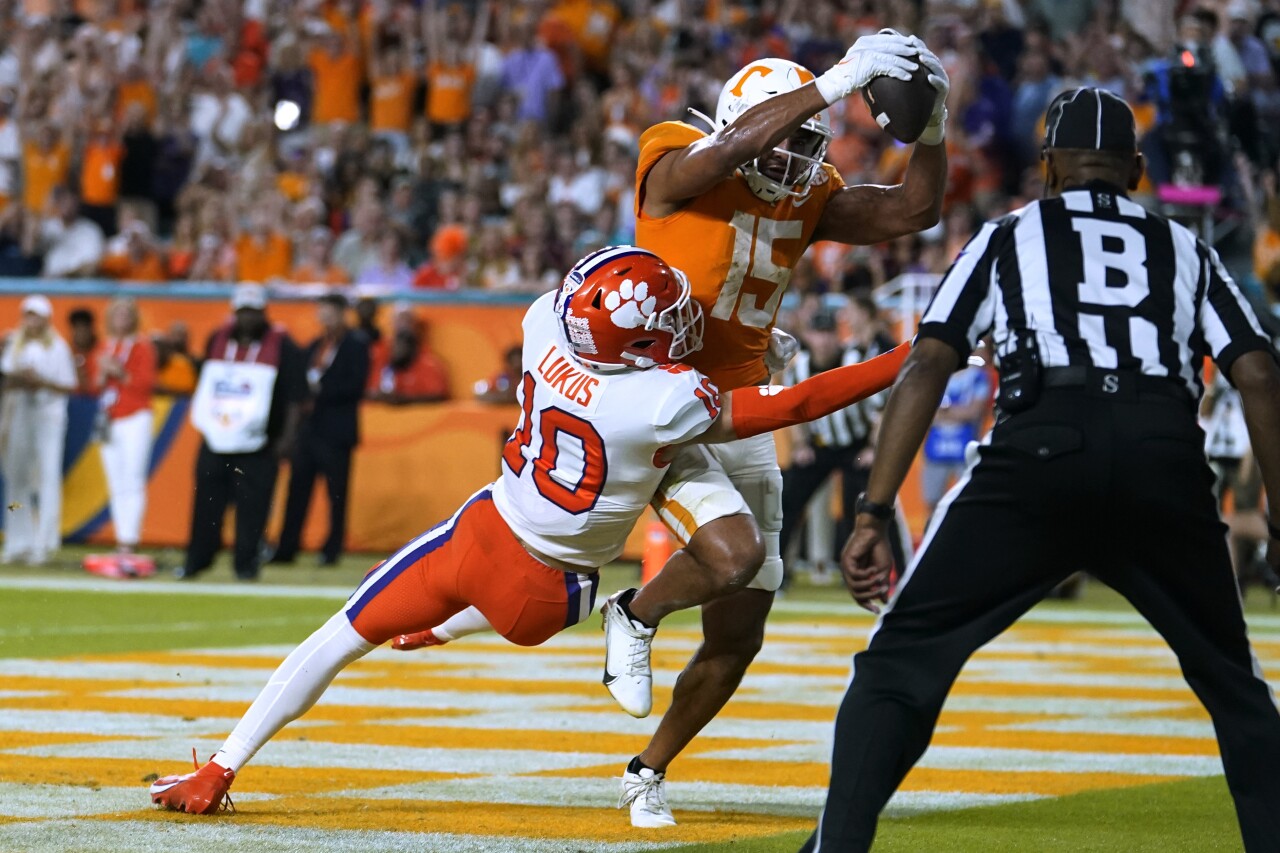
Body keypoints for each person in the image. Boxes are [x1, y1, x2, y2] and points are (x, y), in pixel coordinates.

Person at [147, 245, 910, 816]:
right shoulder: (662, 399)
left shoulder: (545, 321)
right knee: (709, 553)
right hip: (551, 599)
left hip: (479, 534)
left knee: (339, 636)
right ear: (637, 346)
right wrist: (909, 357)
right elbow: (797, 407)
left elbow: (604, 320)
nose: (682, 325)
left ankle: (221, 765)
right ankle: (482, 628)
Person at [804, 88, 1280, 853]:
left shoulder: (1009, 235)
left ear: (1048, 167)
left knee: (901, 664)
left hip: (1042, 446)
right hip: (1164, 453)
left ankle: (838, 846)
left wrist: (872, 510)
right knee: (1236, 690)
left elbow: (930, 360)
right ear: (1135, 169)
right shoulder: (1185, 245)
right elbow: (1259, 375)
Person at [601, 32, 949, 827]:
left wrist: (931, 126)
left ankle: (647, 769)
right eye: (787, 133)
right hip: (657, 399)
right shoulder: (674, 157)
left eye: (808, 140)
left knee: (741, 629)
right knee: (725, 556)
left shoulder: (808, 190)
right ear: (743, 117)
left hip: (743, 407)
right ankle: (636, 610)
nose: (798, 152)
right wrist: (840, 81)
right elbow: (731, 149)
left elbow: (915, 209)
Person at [180, 285, 306, 582]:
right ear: (234, 312)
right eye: (242, 312)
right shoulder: (217, 339)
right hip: (216, 437)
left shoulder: (284, 346)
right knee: (206, 503)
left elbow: (296, 397)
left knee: (254, 508)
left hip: (261, 441)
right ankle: (197, 560)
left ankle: (246, 564)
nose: (247, 318)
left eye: (253, 312)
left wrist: (287, 437)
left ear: (264, 312)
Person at [271, 294, 371, 567]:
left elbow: (356, 384)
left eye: (329, 312)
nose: (324, 318)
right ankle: (286, 548)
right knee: (297, 491)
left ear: (342, 313)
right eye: (321, 312)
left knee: (336, 495)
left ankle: (331, 550)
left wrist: (319, 392)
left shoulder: (356, 345)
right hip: (310, 430)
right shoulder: (315, 346)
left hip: (336, 431)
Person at [0, 295, 76, 565]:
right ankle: (18, 540)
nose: (31, 321)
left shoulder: (57, 346)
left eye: (36, 316)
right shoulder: (15, 344)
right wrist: (21, 380)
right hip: (21, 412)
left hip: (48, 416)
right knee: (17, 477)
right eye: (28, 315)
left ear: (46, 319)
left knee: (46, 477)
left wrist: (40, 382)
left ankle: (43, 543)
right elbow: (7, 377)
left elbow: (68, 384)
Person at [95, 297, 157, 558]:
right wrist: (102, 373)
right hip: (110, 418)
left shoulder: (142, 347)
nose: (121, 318)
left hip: (135, 416)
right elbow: (95, 385)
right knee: (115, 480)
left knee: (132, 478)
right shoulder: (105, 346)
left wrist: (118, 371)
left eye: (126, 313)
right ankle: (121, 538)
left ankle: (130, 540)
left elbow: (145, 384)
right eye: (117, 313)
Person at [67, 307, 98, 395]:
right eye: (77, 328)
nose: (81, 333)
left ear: (91, 329)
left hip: (95, 400)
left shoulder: (101, 351)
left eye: (84, 328)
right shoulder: (67, 351)